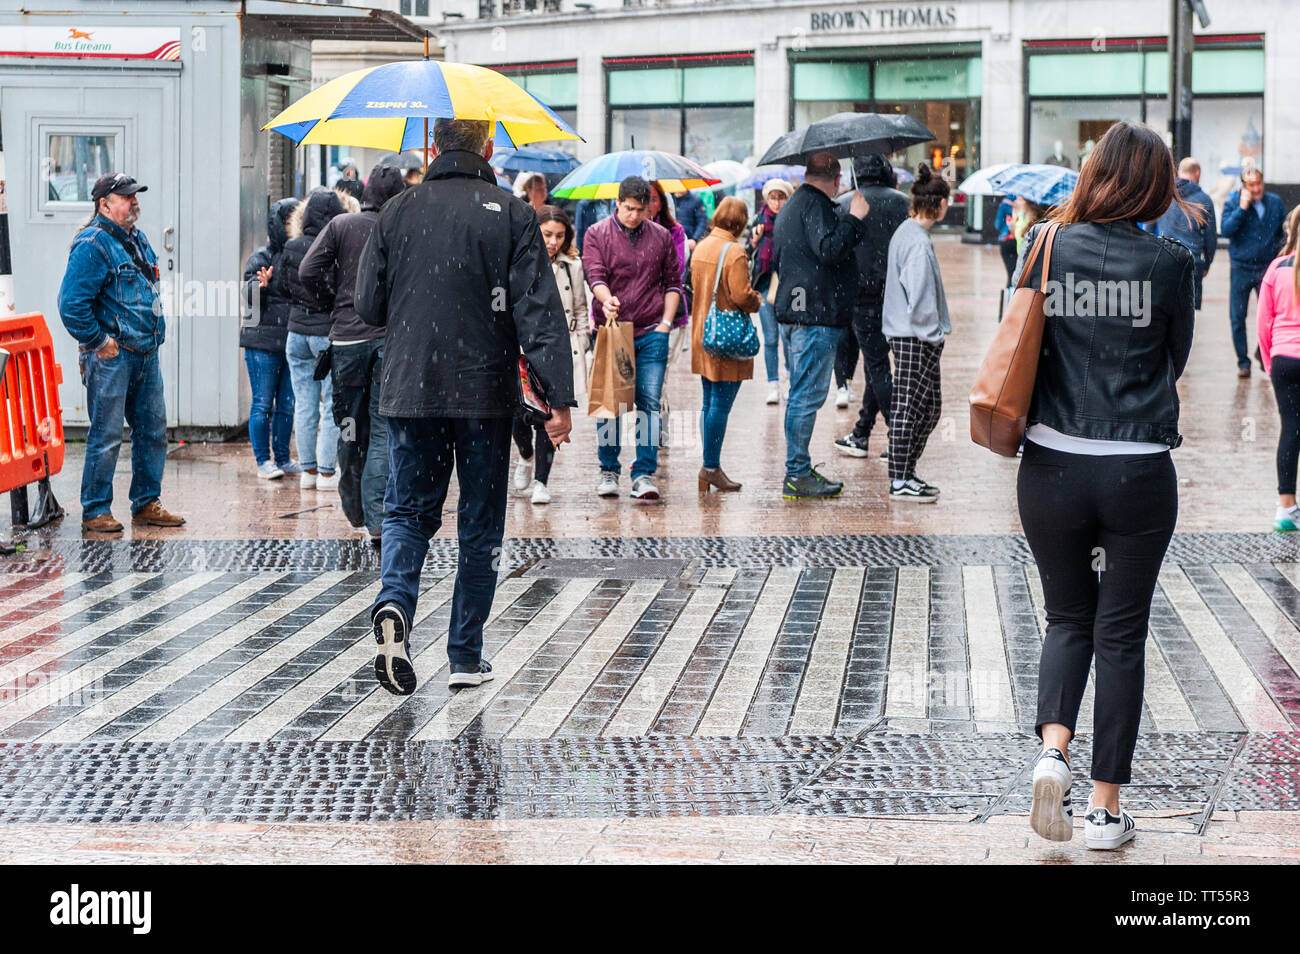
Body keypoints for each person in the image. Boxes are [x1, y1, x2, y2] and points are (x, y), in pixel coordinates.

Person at [1013, 122, 1199, 850]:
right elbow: (1174, 357)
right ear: (1155, 186)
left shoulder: (1045, 245)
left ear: (1093, 174)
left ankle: (1051, 750)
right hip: (1136, 468)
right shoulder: (1171, 262)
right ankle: (1102, 810)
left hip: (1051, 465)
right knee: (1121, 633)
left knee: (1066, 617)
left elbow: (1019, 340)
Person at [355, 117, 574, 695]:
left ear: (432, 146)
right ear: (490, 147)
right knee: (480, 522)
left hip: (410, 388)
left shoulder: (396, 211)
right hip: (483, 393)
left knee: (407, 511)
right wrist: (558, 400)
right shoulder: (515, 215)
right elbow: (539, 316)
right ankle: (464, 654)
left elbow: (368, 303)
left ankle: (395, 603)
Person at [57, 173, 185, 533]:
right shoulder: (92, 244)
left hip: (145, 353)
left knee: (153, 430)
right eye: (126, 196)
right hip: (112, 357)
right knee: (107, 434)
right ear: (104, 204)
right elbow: (71, 306)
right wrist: (100, 341)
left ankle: (146, 503)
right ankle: (95, 510)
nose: (134, 201)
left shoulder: (137, 239)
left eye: (135, 195)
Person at [299, 164, 408, 542]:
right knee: (380, 431)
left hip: (346, 342)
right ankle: (376, 522)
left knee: (349, 428)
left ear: (363, 195)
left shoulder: (341, 226)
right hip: (389, 342)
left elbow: (307, 270)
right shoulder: (401, 230)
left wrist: (331, 303)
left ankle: (354, 506)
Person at [771, 151, 870, 499]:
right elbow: (829, 249)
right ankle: (796, 473)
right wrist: (855, 219)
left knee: (802, 394)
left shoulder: (796, 205)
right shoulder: (813, 205)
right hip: (813, 316)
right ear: (836, 178)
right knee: (805, 396)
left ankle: (798, 470)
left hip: (803, 313)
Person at [582, 175, 682, 500]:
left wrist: (666, 323)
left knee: (649, 404)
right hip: (613, 329)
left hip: (653, 330)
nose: (634, 215)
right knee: (611, 403)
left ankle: (643, 474)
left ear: (650, 207)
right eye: (628, 209)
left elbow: (673, 283)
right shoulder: (596, 234)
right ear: (617, 203)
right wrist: (605, 297)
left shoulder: (662, 236)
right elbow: (594, 274)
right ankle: (608, 470)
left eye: (640, 209)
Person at [882, 163, 951, 503]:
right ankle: (900, 477)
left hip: (908, 333)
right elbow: (921, 296)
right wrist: (933, 335)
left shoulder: (908, 233)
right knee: (911, 407)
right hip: (914, 336)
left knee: (924, 406)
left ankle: (905, 472)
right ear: (939, 204)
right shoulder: (917, 242)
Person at [834, 154, 910, 459]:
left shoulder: (844, 204)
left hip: (861, 296)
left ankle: (898, 437)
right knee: (875, 362)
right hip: (897, 293)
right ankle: (862, 431)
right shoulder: (903, 203)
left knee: (877, 365)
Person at [512, 205, 589, 505]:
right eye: (547, 234)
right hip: (523, 349)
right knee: (519, 413)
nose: (553, 241)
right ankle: (525, 454)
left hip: (559, 349)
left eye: (559, 235)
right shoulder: (522, 261)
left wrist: (580, 341)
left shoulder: (573, 265)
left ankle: (542, 480)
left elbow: (580, 308)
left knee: (551, 410)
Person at [690, 196, 763, 492]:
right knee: (720, 404)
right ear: (741, 221)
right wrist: (756, 299)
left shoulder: (704, 246)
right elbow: (741, 295)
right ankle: (710, 467)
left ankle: (708, 465)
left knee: (708, 403)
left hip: (704, 333)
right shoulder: (734, 252)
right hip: (726, 339)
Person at [276, 190, 344, 491]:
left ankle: (309, 472)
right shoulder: (333, 247)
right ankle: (328, 472)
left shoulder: (291, 246)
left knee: (304, 404)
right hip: (325, 333)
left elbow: (282, 286)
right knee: (330, 403)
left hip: (296, 331)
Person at [240, 197, 301, 481]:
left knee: (286, 404)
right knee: (263, 403)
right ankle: (263, 460)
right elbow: (249, 300)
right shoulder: (260, 257)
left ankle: (284, 457)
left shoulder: (298, 255)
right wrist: (260, 287)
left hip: (290, 341)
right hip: (262, 345)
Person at [1222, 166, 1286, 377]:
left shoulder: (1274, 202)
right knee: (1237, 316)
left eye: (1259, 183)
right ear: (1243, 187)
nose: (1256, 188)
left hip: (1267, 268)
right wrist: (1241, 208)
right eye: (1251, 185)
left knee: (1270, 316)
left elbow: (1283, 233)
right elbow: (1226, 230)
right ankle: (1243, 362)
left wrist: (1281, 256)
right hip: (1241, 267)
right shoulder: (1233, 202)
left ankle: (1262, 352)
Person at [1257, 248, 1300, 531]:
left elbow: (1263, 320)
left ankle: (1285, 508)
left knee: (1290, 428)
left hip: (1284, 356)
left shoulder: (1276, 267)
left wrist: (1269, 361)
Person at [747, 179, 792, 405]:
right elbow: (747, 254)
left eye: (781, 197)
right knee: (771, 337)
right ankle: (773, 384)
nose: (776, 202)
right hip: (765, 283)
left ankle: (790, 377)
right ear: (766, 199)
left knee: (790, 334)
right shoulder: (758, 220)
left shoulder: (793, 219)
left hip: (790, 285)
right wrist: (754, 242)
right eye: (773, 197)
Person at [1153, 157, 1216, 311]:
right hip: (1192, 263)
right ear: (1197, 173)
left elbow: (1148, 229)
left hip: (1164, 260)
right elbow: (1210, 238)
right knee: (1188, 315)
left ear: (1179, 172)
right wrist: (1206, 263)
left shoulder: (1163, 195)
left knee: (1164, 310)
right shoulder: (1204, 199)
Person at [996, 193, 1018, 284]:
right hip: (1019, 240)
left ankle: (1009, 295)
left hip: (1006, 240)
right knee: (1018, 272)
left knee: (1010, 273)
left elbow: (997, 224)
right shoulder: (1025, 201)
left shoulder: (1005, 203)